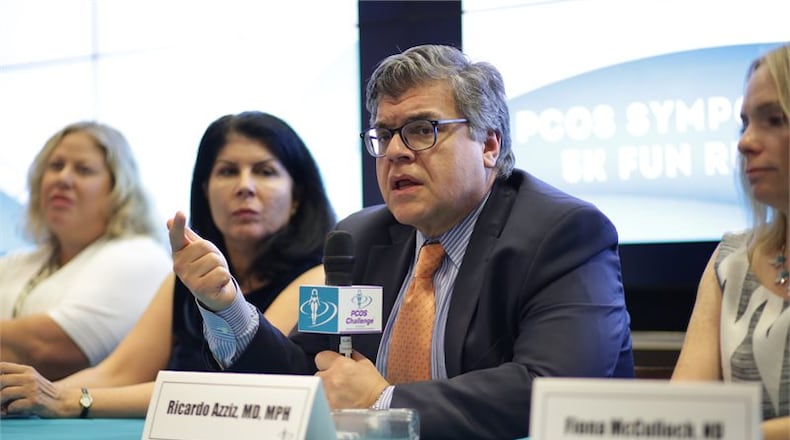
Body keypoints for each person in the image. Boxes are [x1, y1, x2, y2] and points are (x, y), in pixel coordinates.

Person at [169, 45, 634, 439]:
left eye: (422, 130)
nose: (395, 151)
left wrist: (382, 400)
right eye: (385, 134)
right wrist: (226, 307)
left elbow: (553, 389)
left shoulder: (563, 233)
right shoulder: (361, 238)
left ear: (489, 144)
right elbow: (305, 377)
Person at [0, 111, 336, 418]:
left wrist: (72, 399)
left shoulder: (318, 279)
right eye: (227, 171)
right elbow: (119, 373)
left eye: (265, 172)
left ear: (297, 198)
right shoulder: (185, 278)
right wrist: (32, 394)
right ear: (204, 191)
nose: (244, 187)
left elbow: (241, 388)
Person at [671, 44, 790, 440]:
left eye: (774, 119)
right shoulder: (732, 259)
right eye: (745, 124)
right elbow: (682, 416)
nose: (745, 143)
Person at [0, 121, 171, 381]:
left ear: (117, 190)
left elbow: (51, 350)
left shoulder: (139, 256)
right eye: (56, 166)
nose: (63, 178)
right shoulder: (19, 262)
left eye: (84, 169)